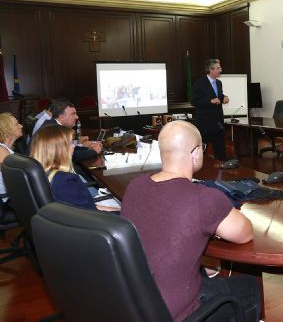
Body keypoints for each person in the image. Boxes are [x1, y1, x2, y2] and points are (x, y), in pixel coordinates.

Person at [121, 121, 260, 322]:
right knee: (249, 286)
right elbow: (245, 234)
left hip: (132, 302)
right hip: (174, 313)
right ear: (195, 153)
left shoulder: (135, 186)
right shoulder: (205, 197)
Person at [31, 124, 117, 212]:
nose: (73, 147)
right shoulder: (64, 180)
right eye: (70, 143)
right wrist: (121, 213)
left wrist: (118, 209)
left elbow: (86, 206)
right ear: (59, 149)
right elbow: (89, 212)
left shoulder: (40, 172)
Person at [191, 58, 229, 161]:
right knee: (201, 153)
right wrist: (209, 102)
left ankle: (223, 174)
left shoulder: (219, 83)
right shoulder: (199, 83)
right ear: (210, 70)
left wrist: (224, 98)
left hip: (218, 123)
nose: (220, 70)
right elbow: (194, 101)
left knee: (221, 152)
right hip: (205, 124)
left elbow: (218, 96)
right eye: (218, 68)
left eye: (220, 67)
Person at [0, 113, 23, 200]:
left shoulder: (5, 149)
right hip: (6, 199)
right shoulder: (1, 150)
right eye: (17, 124)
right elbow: (16, 179)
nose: (21, 126)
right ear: (7, 130)